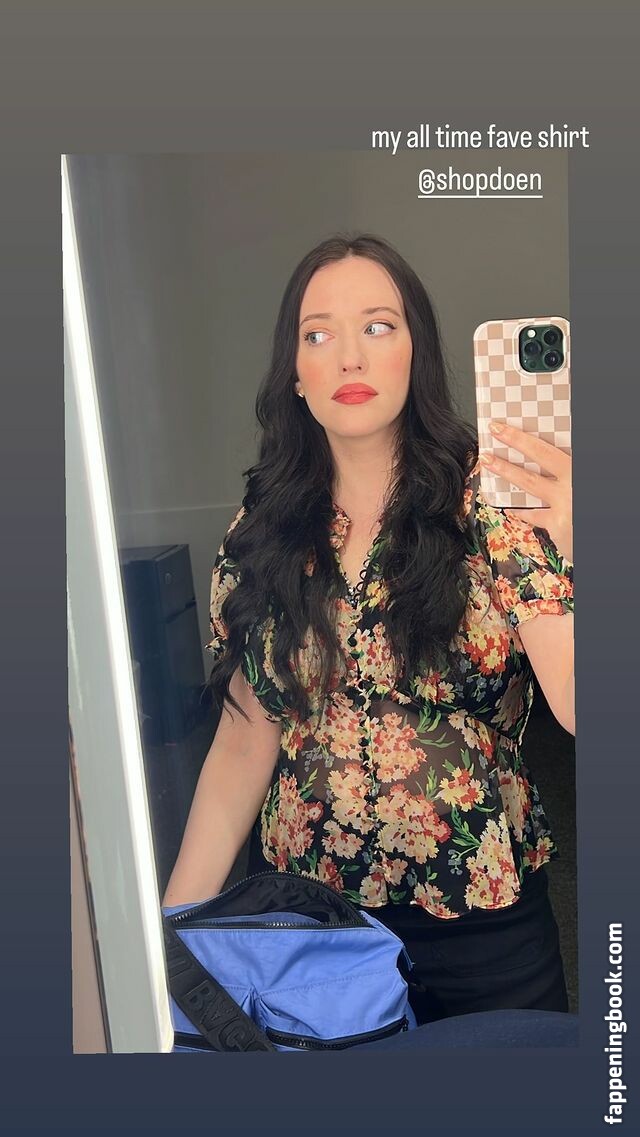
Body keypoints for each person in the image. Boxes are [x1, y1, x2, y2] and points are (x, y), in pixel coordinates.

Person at [162, 233, 575, 1025]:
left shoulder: (493, 504)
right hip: (313, 936)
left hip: (482, 926)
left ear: (416, 350)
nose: (349, 356)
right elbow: (243, 744)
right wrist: (173, 937)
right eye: (318, 334)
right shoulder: (261, 530)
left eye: (378, 326)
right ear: (295, 371)